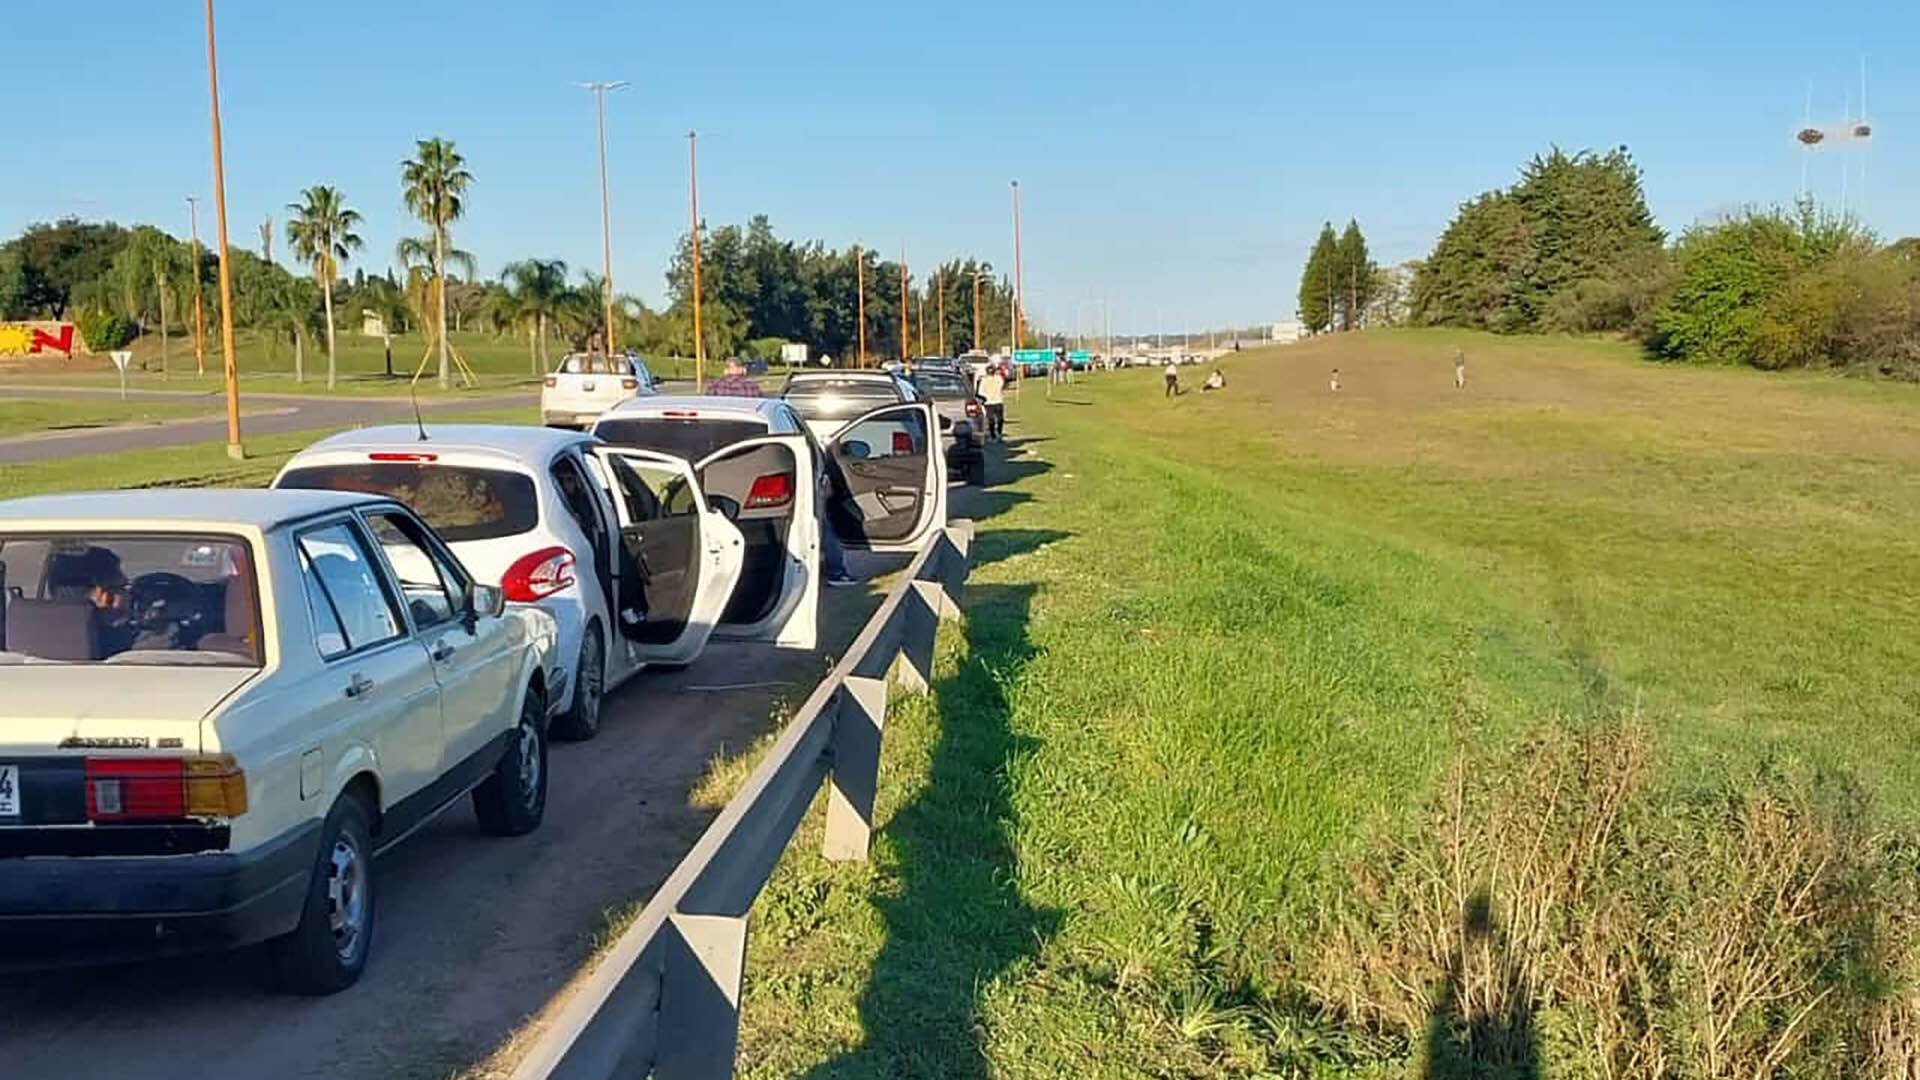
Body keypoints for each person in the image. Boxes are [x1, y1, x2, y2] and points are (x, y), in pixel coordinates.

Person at [978, 364, 1007, 440]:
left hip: (989, 402)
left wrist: (984, 398)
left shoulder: (984, 380)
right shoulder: (998, 378)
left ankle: (993, 435)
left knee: (991, 419)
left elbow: (980, 392)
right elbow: (1002, 385)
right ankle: (998, 433)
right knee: (1000, 419)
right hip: (998, 401)